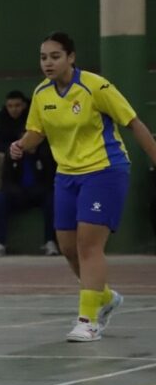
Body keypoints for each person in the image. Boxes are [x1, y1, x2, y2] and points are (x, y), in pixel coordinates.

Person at [11, 31, 156, 342]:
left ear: (71, 58)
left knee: (88, 246)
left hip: (105, 170)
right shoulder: (41, 94)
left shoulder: (96, 86)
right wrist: (21, 145)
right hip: (67, 175)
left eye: (55, 56)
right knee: (67, 248)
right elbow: (37, 132)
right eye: (43, 57)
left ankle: (88, 321)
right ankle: (104, 298)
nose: (48, 63)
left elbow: (134, 123)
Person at [0, 141, 58, 257]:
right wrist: (19, 192)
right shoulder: (12, 154)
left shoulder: (46, 154)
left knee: (53, 199)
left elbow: (50, 181)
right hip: (17, 194)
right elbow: (7, 182)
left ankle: (50, 242)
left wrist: (34, 191)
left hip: (39, 194)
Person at [0, 91, 29, 197]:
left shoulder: (33, 114)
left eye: (17, 105)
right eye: (10, 106)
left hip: (33, 154)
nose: (13, 109)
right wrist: (13, 150)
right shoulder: (1, 117)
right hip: (10, 154)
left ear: (24, 105)